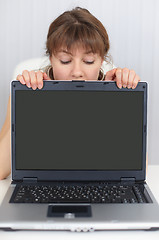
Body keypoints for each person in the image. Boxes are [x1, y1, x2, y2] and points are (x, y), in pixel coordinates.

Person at [0, 7, 140, 180]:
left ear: (101, 61)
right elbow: (1, 169)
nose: (77, 72)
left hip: (101, 192)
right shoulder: (29, 95)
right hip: (43, 192)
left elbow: (136, 171)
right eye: (65, 61)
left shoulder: (114, 97)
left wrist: (125, 100)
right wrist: (24, 99)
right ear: (51, 58)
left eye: (88, 61)